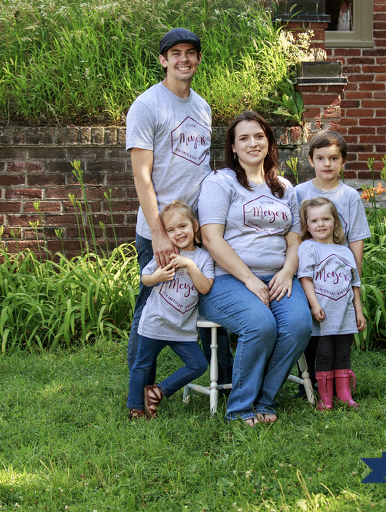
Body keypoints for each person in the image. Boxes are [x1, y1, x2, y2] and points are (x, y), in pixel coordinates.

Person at [125, 27, 232, 390]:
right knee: (150, 307)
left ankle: (224, 374)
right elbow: (142, 175)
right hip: (160, 231)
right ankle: (140, 388)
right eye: (176, 53)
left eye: (190, 52)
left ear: (198, 59)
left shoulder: (202, 107)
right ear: (163, 60)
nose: (183, 59)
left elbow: (199, 168)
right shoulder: (147, 106)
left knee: (204, 298)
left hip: (195, 230)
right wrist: (158, 233)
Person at [197, 111, 312, 425]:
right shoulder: (220, 182)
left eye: (259, 136)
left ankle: (264, 399)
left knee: (299, 325)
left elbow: (294, 241)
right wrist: (249, 279)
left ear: (269, 142)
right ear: (233, 147)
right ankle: (240, 408)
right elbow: (211, 238)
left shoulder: (285, 189)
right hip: (226, 279)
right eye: (243, 138)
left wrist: (288, 272)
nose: (252, 143)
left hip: (277, 276)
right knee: (260, 325)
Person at [293, 130, 370, 396]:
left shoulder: (349, 196)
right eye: (321, 158)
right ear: (311, 161)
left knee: (338, 333)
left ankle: (338, 386)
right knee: (312, 332)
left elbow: (356, 238)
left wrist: (354, 277)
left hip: (338, 279)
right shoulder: (299, 192)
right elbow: (292, 235)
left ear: (343, 161)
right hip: (309, 276)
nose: (327, 164)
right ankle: (310, 383)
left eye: (334, 158)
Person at [127, 201, 214, 419]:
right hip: (155, 323)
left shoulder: (203, 258)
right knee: (142, 366)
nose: (178, 233)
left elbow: (204, 287)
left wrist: (189, 265)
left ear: (195, 226)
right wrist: (156, 277)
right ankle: (136, 407)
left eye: (182, 226)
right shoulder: (166, 254)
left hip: (182, 330)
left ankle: (158, 392)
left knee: (198, 365)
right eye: (171, 230)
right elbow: (145, 278)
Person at [297, 197, 366, 410]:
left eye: (326, 219)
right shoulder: (308, 247)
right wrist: (314, 304)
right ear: (307, 226)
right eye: (314, 221)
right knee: (325, 353)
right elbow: (305, 278)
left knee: (343, 353)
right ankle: (325, 398)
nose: (321, 224)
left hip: (344, 313)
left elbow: (354, 283)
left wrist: (359, 311)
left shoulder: (346, 251)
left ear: (335, 222)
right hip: (323, 314)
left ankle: (345, 395)